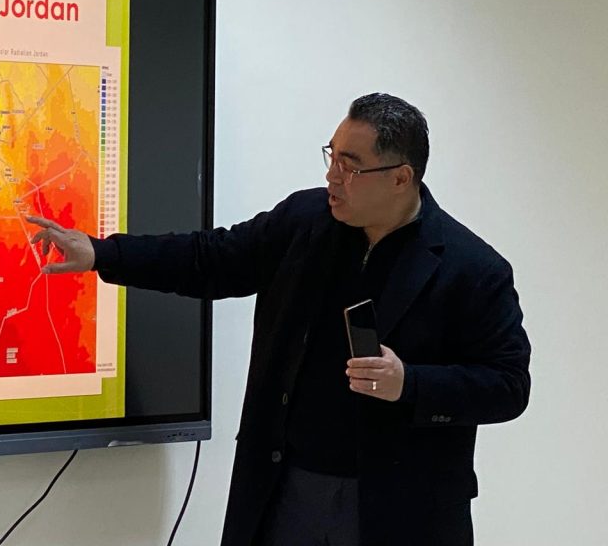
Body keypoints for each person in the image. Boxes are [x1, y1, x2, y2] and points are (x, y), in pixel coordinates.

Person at [27, 93, 530, 546]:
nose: (332, 177)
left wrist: (410, 383)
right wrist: (101, 253)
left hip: (400, 503)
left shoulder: (472, 269)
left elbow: (508, 386)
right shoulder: (305, 221)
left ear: (401, 177)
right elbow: (209, 258)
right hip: (285, 485)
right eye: (332, 155)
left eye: (351, 166)